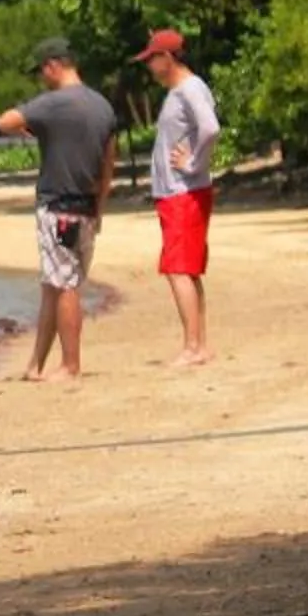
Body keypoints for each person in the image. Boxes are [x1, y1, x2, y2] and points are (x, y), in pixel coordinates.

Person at [0, 36, 118, 382]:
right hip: (87, 208)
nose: (40, 78)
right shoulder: (102, 106)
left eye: (41, 71)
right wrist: (100, 208)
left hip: (59, 206)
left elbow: (3, 122)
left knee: (65, 286)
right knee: (53, 285)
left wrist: (29, 128)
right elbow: (108, 164)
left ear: (53, 66)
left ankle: (70, 365)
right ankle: (36, 365)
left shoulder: (52, 103)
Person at [134, 28, 221, 366]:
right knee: (187, 269)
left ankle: (193, 347)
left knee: (178, 269)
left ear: (167, 57)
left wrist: (194, 162)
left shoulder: (189, 89)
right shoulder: (179, 91)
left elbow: (210, 127)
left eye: (152, 59)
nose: (149, 66)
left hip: (183, 192)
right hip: (178, 193)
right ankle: (199, 344)